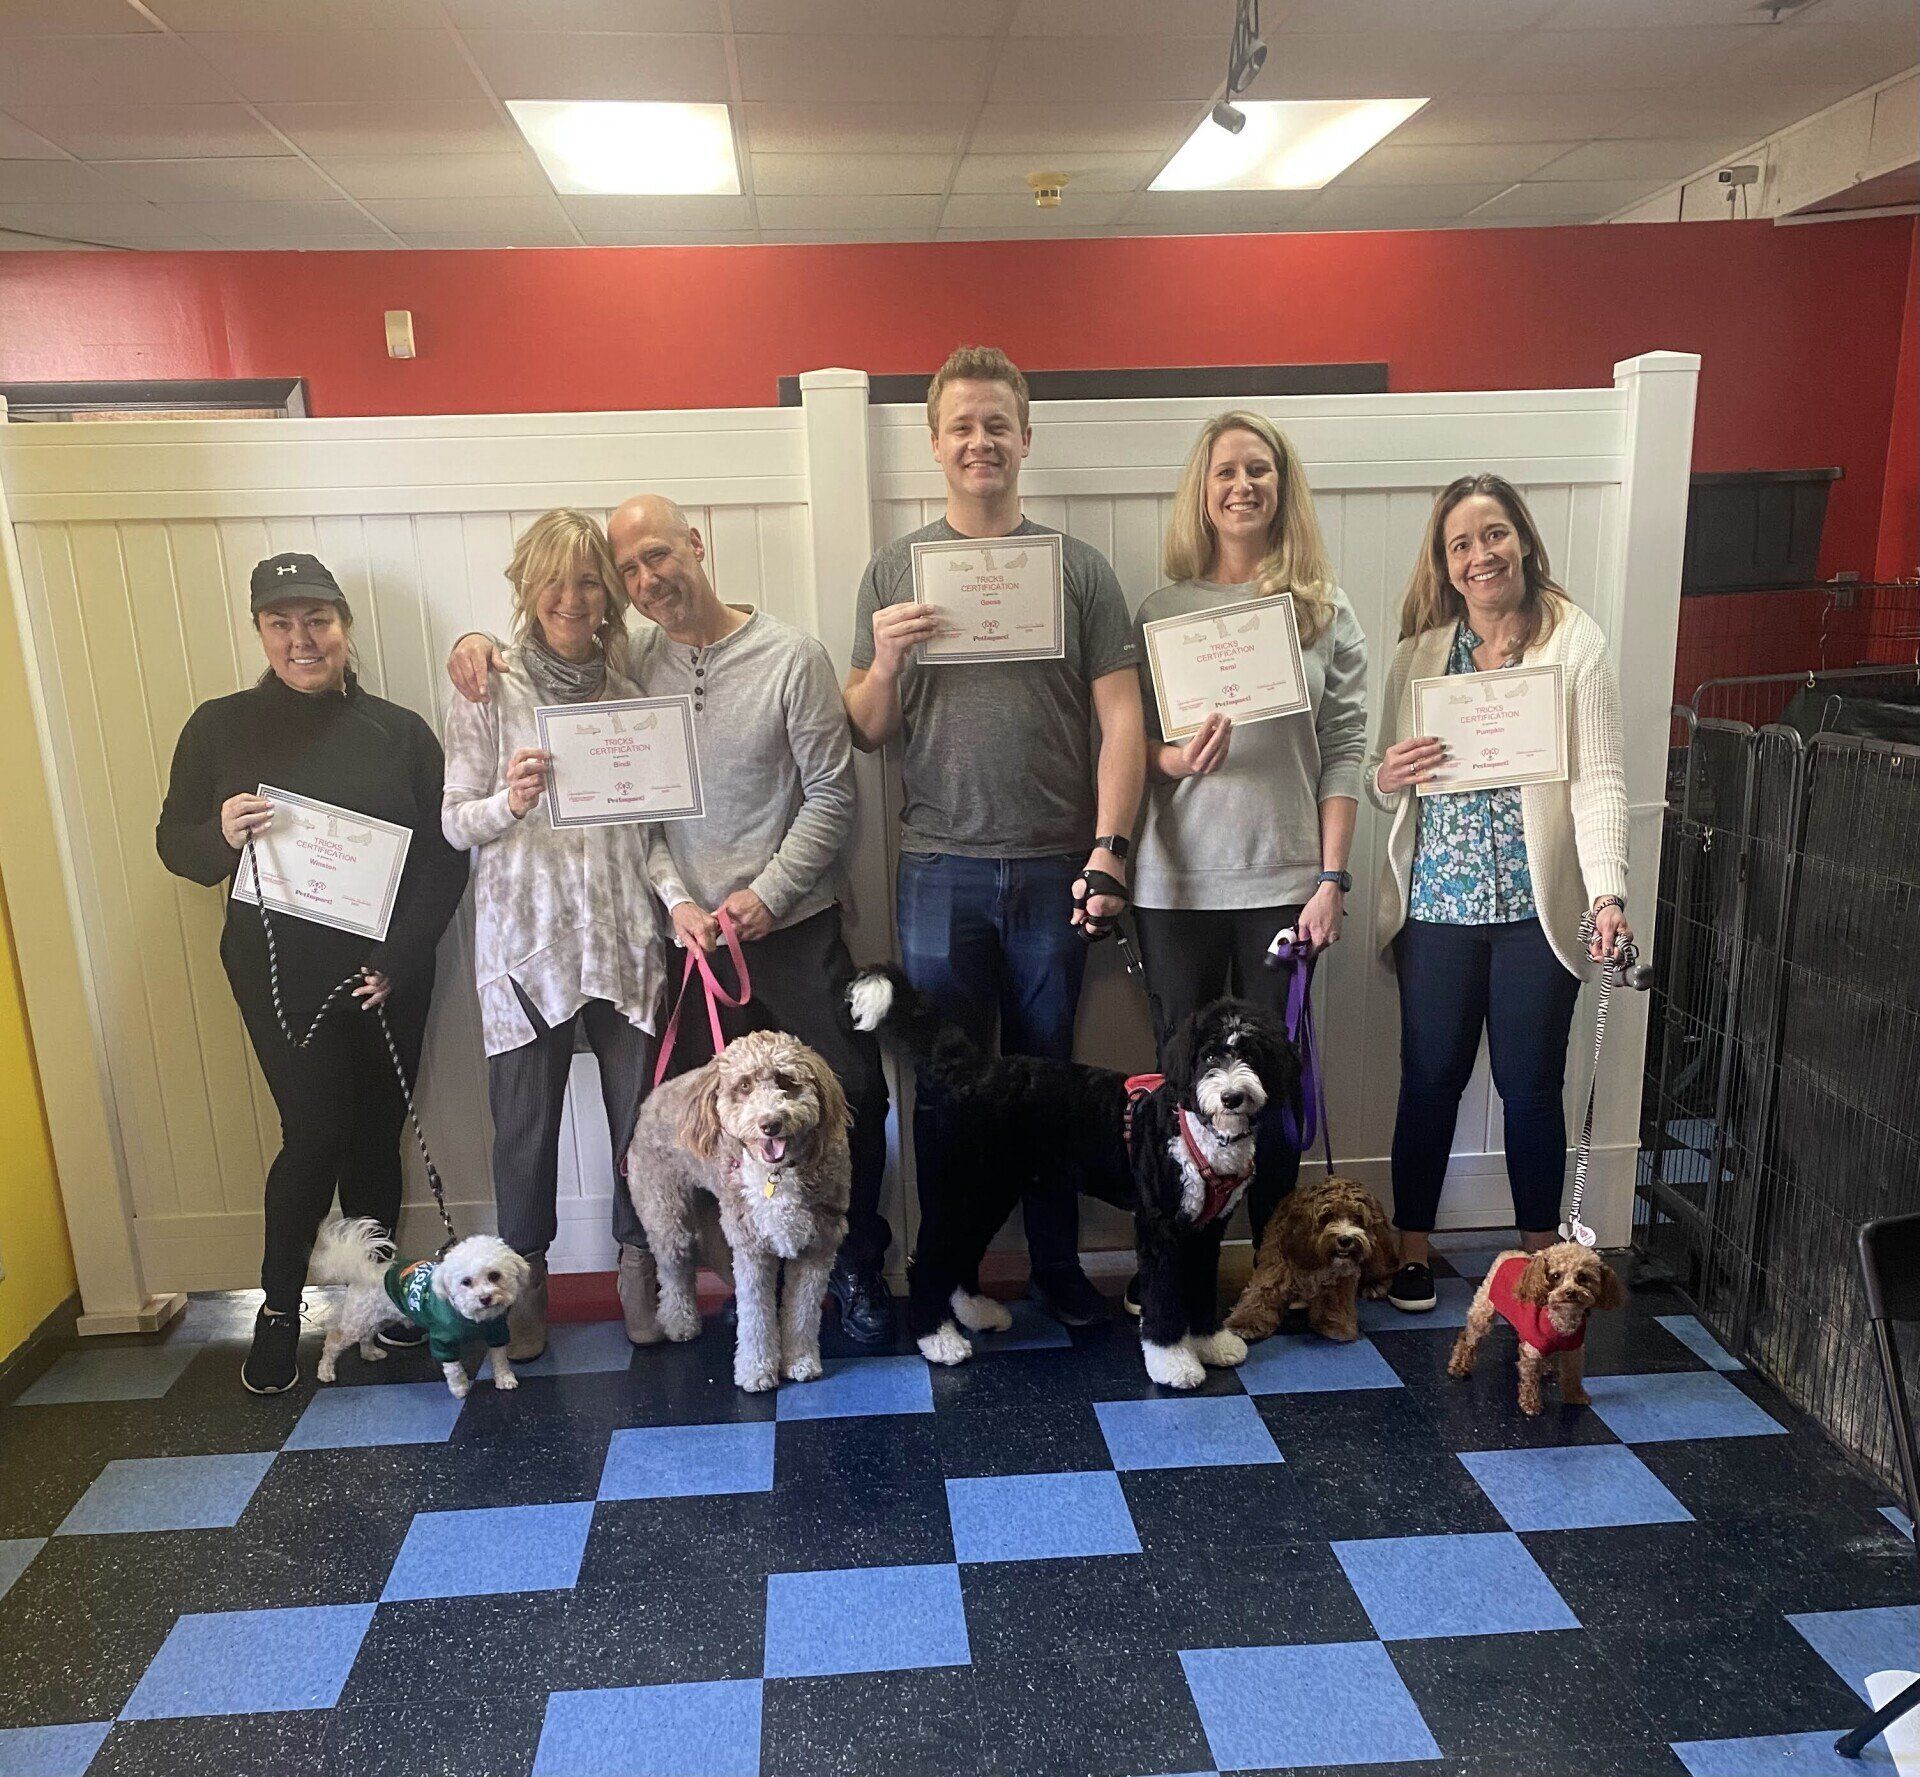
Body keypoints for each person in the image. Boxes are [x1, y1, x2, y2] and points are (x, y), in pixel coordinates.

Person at [445, 496, 896, 1343]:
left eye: (658, 556)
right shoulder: (633, 665)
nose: (646, 579)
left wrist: (769, 892)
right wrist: (682, 904)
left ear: (697, 544)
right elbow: (637, 816)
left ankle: (858, 1267)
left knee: (850, 1093)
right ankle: (704, 1269)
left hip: (790, 926)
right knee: (691, 1127)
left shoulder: (790, 656)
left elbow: (835, 794)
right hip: (684, 939)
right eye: (630, 570)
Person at [844, 345, 1146, 1328]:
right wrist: (885, 660)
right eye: (961, 426)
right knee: (944, 1089)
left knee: (1052, 1080)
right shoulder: (894, 571)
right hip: (939, 866)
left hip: (1060, 861)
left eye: (996, 423)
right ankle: (948, 1277)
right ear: (935, 444)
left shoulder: (1082, 570)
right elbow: (867, 727)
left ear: (1026, 436)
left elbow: (1124, 723)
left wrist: (1109, 848)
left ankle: (1056, 1270)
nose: (980, 440)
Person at [156, 553, 469, 1394]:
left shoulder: (400, 732)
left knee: (376, 1133)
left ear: (345, 627)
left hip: (386, 969)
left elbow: (444, 859)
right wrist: (220, 831)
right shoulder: (219, 725)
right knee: (317, 1131)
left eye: (318, 621)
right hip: (276, 969)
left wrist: (402, 959)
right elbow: (175, 846)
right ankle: (281, 1308)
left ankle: (374, 1301)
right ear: (260, 631)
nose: (303, 639)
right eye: (281, 623)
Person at [1368, 473, 1633, 1312]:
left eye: (1493, 535)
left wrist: (1608, 894)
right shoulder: (1419, 651)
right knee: (1429, 1079)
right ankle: (1413, 1249)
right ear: (1444, 566)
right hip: (1438, 908)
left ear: (1522, 537)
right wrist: (1388, 774)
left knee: (1530, 1086)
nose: (1480, 555)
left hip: (1533, 912)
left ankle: (1535, 1262)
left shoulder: (1574, 642)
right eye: (1461, 544)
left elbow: (1599, 781)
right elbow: (1381, 779)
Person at [1128, 411, 1367, 1289]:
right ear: (1202, 490)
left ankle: (1279, 1269)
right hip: (1175, 882)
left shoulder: (1324, 613)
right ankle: (1174, 1265)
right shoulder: (1161, 610)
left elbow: (1345, 750)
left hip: (1283, 882)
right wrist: (1174, 757)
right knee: (1178, 1082)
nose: (1242, 485)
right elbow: (1132, 749)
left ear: (1282, 487)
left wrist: (1331, 878)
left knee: (1277, 1084)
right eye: (1225, 470)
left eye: (1259, 469)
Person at [441, 509, 676, 1360]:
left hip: (621, 937)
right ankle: (525, 1280)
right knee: (523, 1126)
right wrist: (509, 800)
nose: (572, 598)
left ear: (610, 595)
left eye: (588, 581)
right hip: (525, 945)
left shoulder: (634, 689)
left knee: (640, 1121)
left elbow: (654, 832)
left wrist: (677, 899)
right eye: (555, 580)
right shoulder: (487, 688)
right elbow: (452, 822)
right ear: (526, 587)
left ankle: (636, 1263)